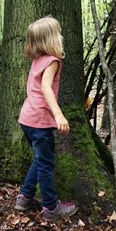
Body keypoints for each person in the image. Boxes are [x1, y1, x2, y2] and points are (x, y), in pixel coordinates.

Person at [14, 16, 77, 220]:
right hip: (39, 120)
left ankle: (24, 197)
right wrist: (58, 114)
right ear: (50, 39)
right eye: (58, 33)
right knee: (46, 164)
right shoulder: (52, 62)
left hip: (27, 118)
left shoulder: (38, 60)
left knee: (40, 159)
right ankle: (51, 207)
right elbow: (45, 88)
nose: (61, 36)